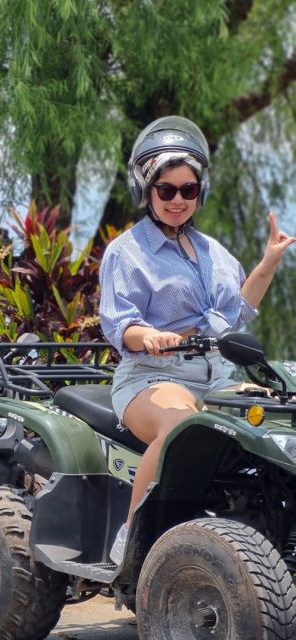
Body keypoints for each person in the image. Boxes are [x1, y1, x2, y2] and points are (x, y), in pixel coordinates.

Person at [99, 116, 296, 564]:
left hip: (216, 378)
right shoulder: (127, 252)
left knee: (283, 415)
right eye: (166, 189)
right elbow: (119, 325)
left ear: (199, 192)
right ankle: (133, 538)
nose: (177, 200)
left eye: (188, 190)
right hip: (151, 378)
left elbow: (234, 316)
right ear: (145, 189)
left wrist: (267, 263)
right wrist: (148, 337)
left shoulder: (214, 252)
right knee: (180, 426)